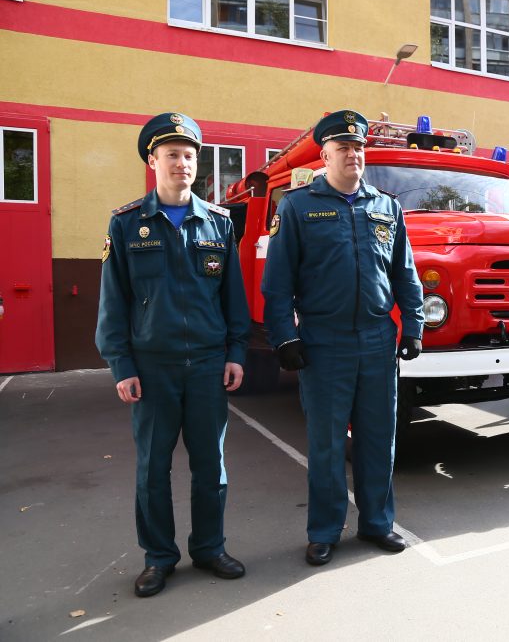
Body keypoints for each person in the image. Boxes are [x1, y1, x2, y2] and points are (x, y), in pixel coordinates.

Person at [95, 112, 251, 598]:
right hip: (152, 368)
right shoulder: (127, 224)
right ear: (152, 161)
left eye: (188, 155)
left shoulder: (219, 223)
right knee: (151, 470)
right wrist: (121, 364)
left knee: (212, 467)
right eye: (171, 155)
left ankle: (209, 547)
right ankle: (158, 557)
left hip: (207, 365)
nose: (181, 163)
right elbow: (113, 301)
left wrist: (236, 352)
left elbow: (233, 298)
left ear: (196, 163)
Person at [261, 109, 425, 566]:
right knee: (328, 442)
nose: (352, 155)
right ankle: (325, 530)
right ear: (325, 156)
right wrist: (284, 338)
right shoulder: (296, 207)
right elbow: (277, 284)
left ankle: (376, 523)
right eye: (342, 149)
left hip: (376, 340)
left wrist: (412, 326)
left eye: (358, 148)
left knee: (378, 438)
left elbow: (405, 274)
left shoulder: (386, 207)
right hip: (323, 342)